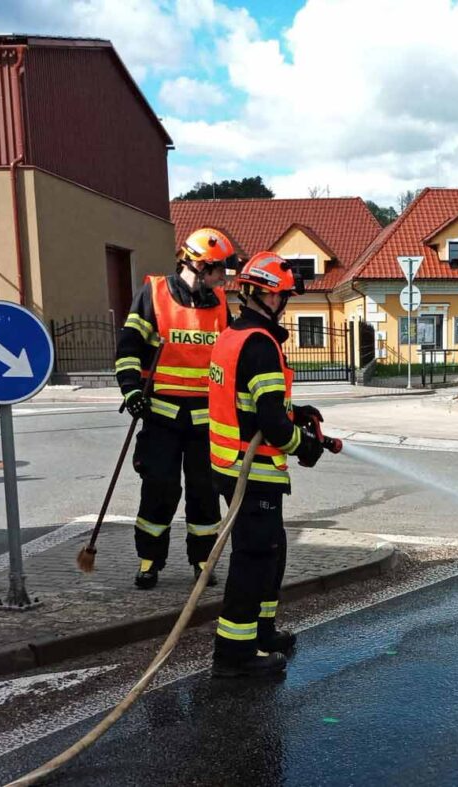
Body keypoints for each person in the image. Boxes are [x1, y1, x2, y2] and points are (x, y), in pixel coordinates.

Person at [207, 251, 328, 678]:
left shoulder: (233, 335)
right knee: (254, 557)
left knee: (272, 550)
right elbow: (272, 426)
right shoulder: (260, 344)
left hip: (233, 465)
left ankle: (262, 632)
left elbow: (255, 406)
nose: (286, 304)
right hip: (251, 471)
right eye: (282, 297)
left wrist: (296, 413)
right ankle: (234, 655)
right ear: (261, 295)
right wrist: (304, 445)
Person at [115, 227, 238, 589]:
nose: (222, 279)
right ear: (198, 265)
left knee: (204, 494)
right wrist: (130, 390)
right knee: (160, 489)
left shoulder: (219, 306)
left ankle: (203, 561)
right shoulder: (153, 294)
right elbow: (128, 348)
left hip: (205, 420)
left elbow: (229, 358)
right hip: (161, 417)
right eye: (218, 270)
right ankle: (149, 561)